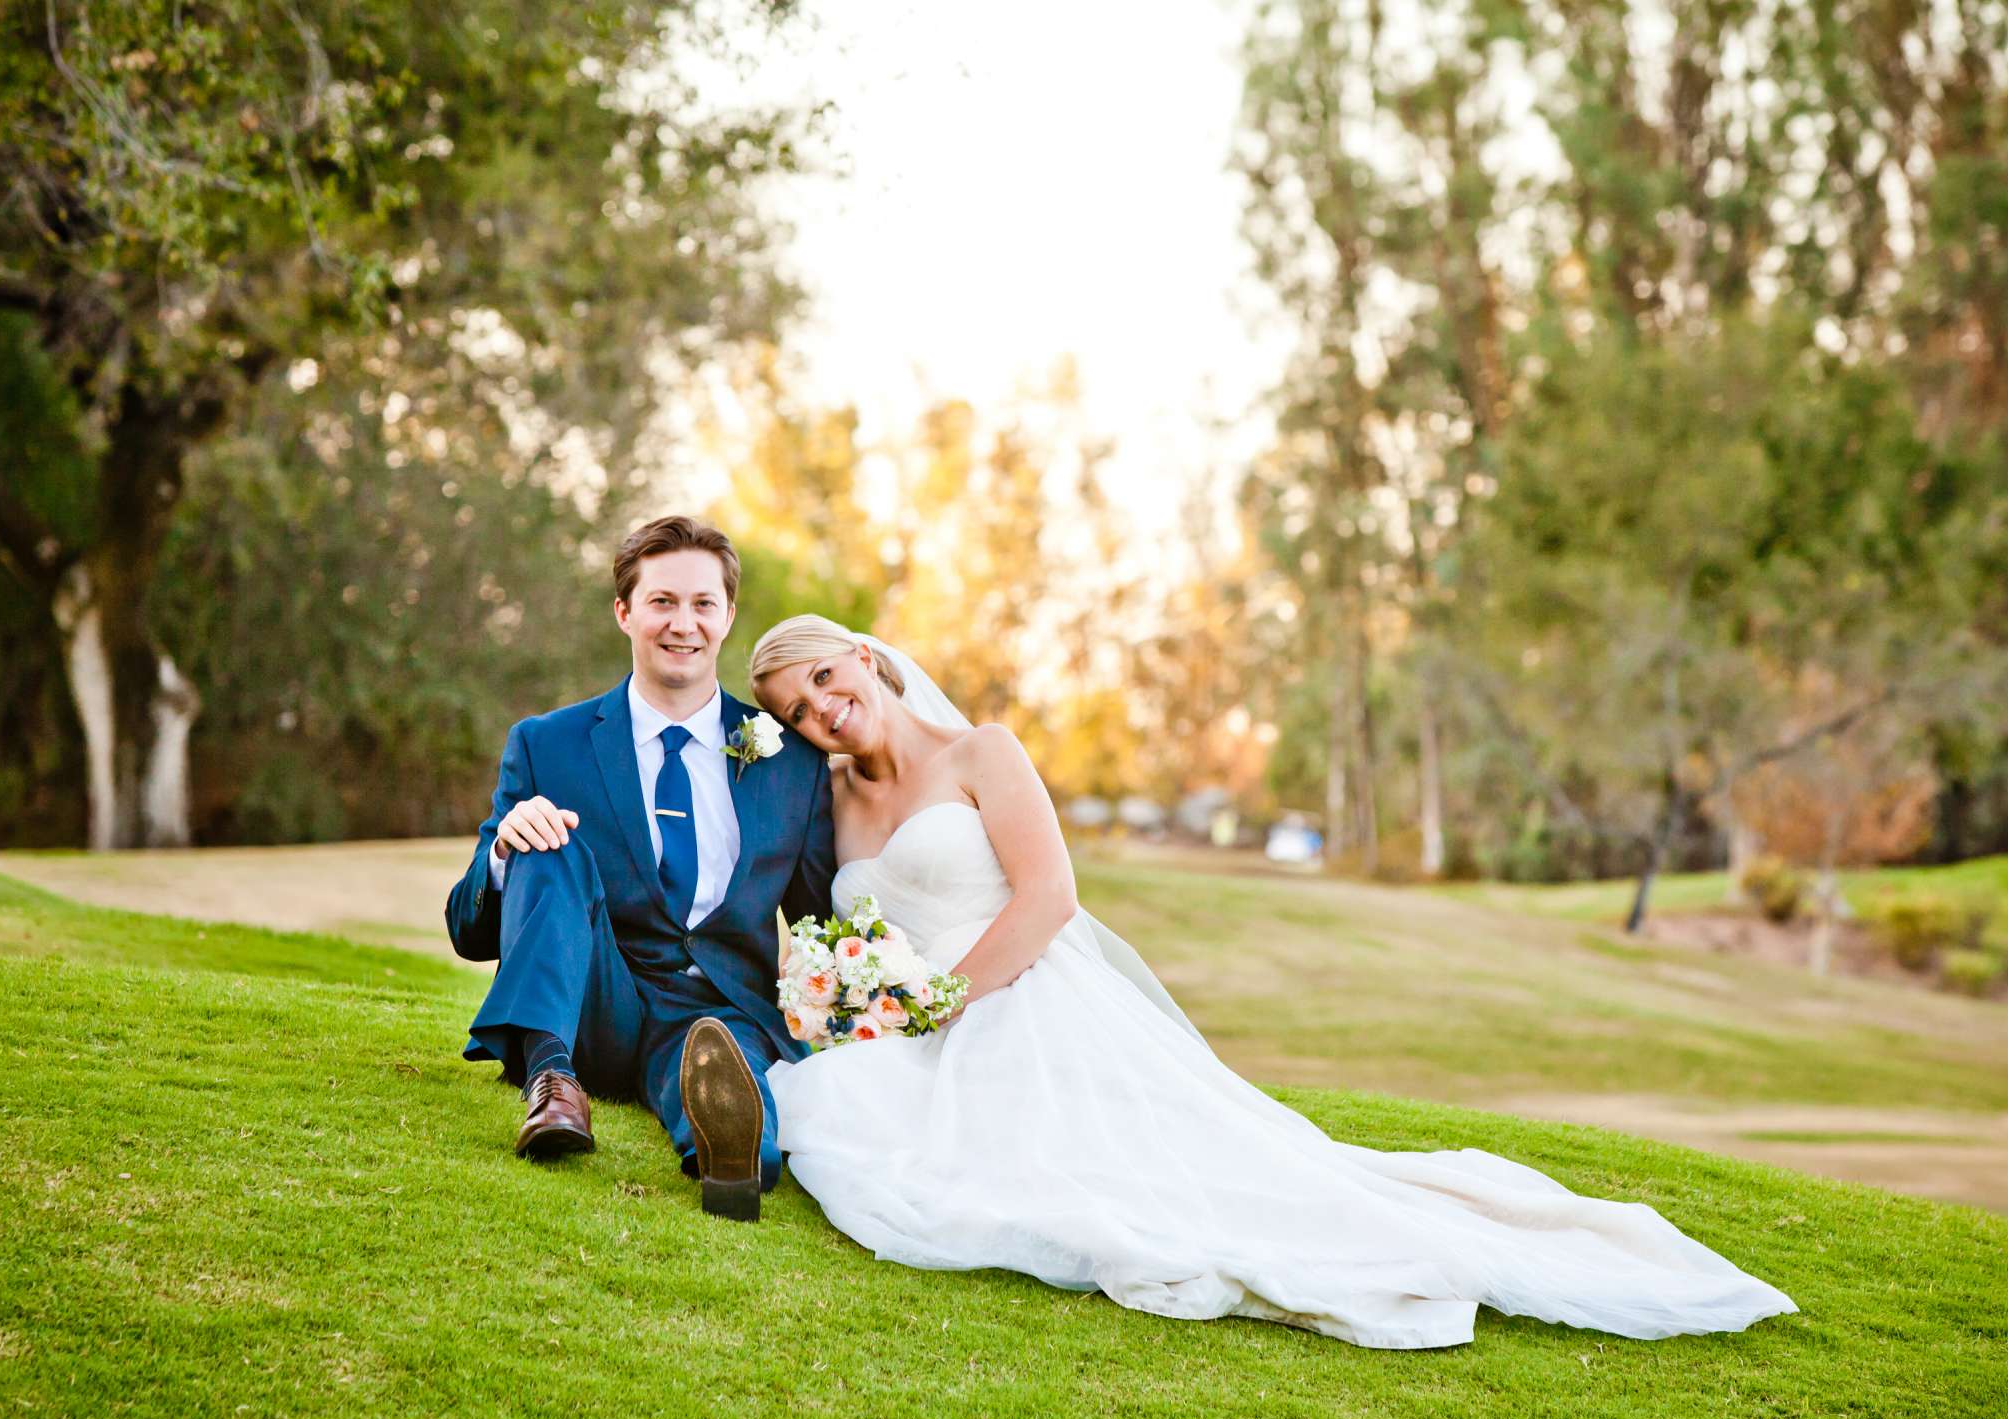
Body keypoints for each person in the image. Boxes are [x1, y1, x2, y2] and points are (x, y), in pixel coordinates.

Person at [747, 614, 1798, 1349]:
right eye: (799, 711)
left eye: (827, 682)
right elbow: (849, 923)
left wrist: (948, 996)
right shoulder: (832, 804)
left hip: (1025, 997)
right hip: (920, 1022)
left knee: (1145, 1186)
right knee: (838, 1112)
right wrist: (868, 996)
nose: (824, 714)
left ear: (866, 658)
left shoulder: (983, 752)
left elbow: (1050, 896)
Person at [444, 517, 835, 1222]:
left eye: (701, 604)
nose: (682, 623)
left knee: (719, 1061)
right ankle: (552, 1082)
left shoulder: (790, 764)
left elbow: (818, 923)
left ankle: (733, 1156)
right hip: (595, 999)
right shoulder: (547, 744)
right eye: (662, 602)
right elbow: (468, 932)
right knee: (547, 837)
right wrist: (503, 850)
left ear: (728, 616)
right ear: (624, 612)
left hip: (716, 1009)